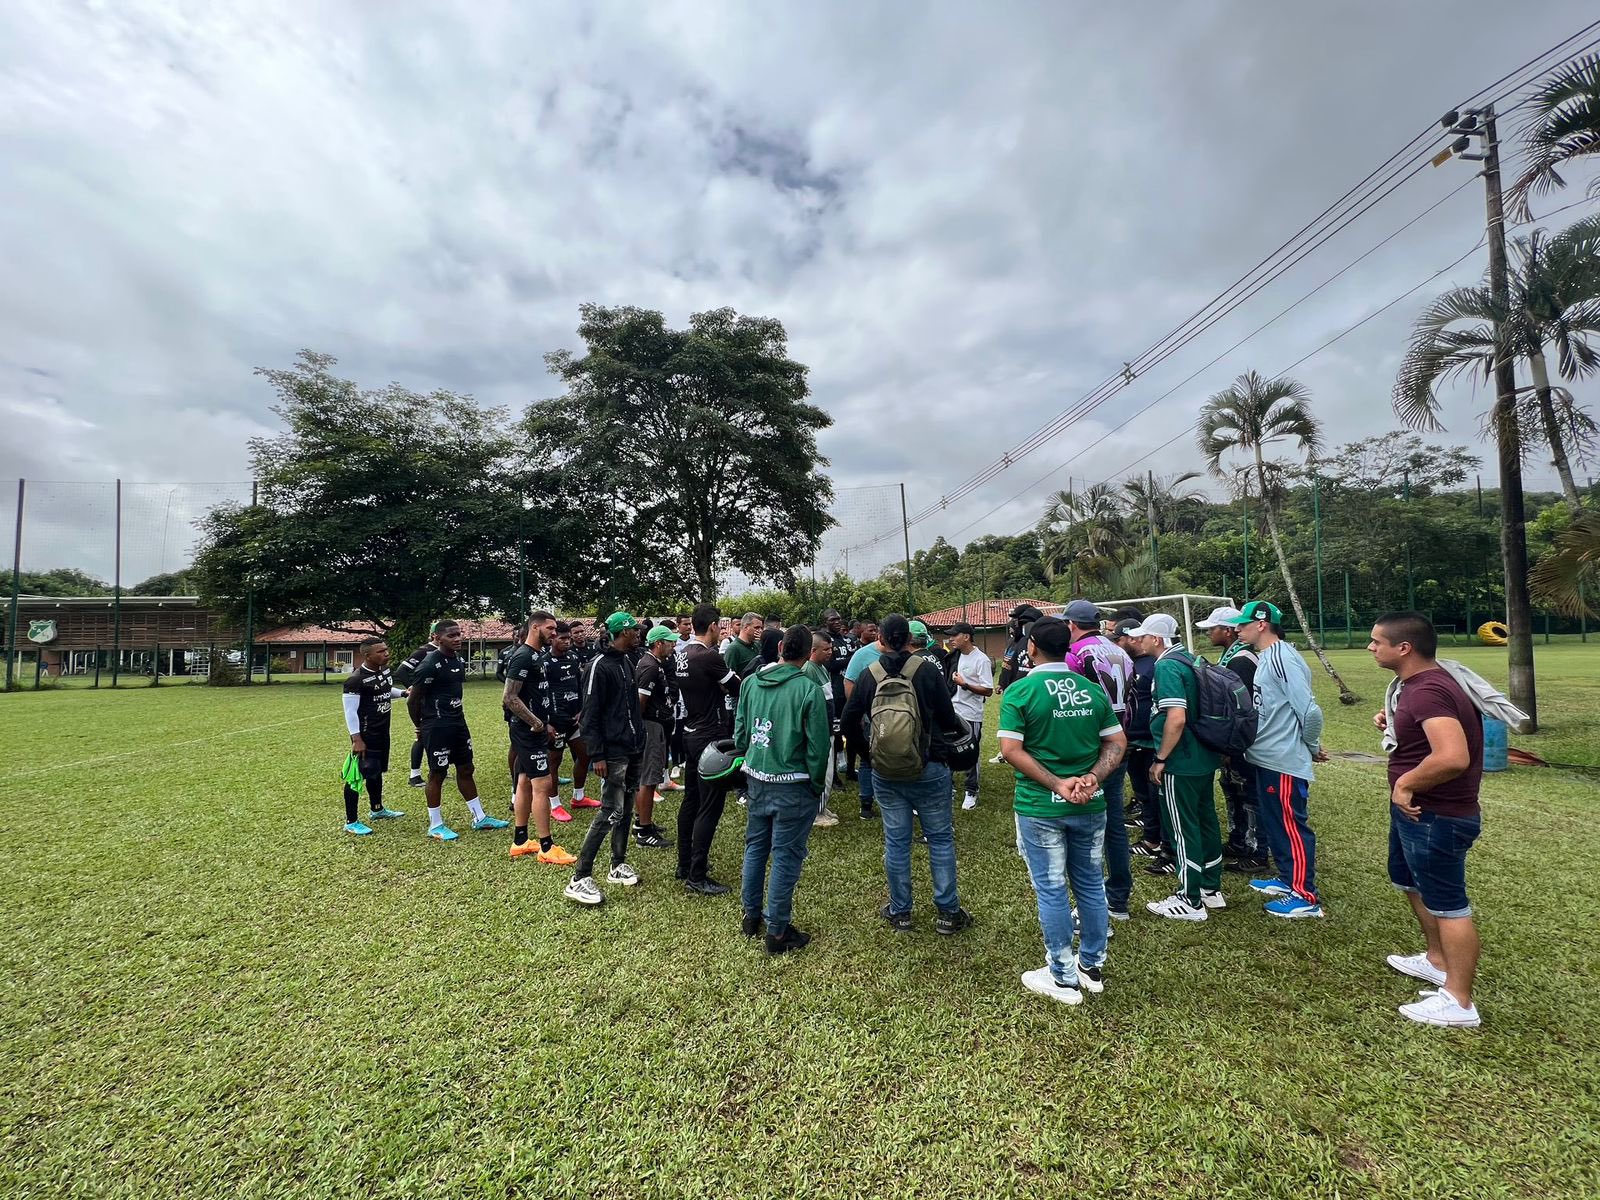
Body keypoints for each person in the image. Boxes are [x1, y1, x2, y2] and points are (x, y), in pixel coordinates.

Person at [998, 615, 1128, 1006]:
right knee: (1089, 882)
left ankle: (1063, 976)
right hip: (1091, 804)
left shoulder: (1020, 692)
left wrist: (1057, 784)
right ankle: (1091, 966)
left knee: (1052, 888)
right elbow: (1117, 743)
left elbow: (1010, 751)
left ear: (1031, 647)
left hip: (1040, 807)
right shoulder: (1090, 690)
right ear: (1067, 647)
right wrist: (1093, 777)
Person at [1370, 612, 1485, 1028]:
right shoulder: (1418, 689)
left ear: (1404, 648)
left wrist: (1405, 785)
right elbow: (1429, 735)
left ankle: (1459, 1001)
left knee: (1449, 904)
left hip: (1436, 814)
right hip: (1420, 812)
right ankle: (1437, 961)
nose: (1371, 647)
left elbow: (1453, 756)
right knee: (1410, 882)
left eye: (1377, 642)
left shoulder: (1428, 692)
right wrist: (1395, 722)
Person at [841, 614, 975, 936]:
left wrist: (869, 757)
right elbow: (947, 719)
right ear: (913, 639)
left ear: (882, 640)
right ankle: (947, 913)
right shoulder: (927, 670)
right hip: (930, 767)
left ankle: (900, 912)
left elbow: (848, 722)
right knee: (940, 839)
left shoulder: (869, 675)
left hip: (885, 772)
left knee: (897, 842)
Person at [736, 625, 832, 954]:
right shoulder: (809, 689)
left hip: (756, 780)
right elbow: (819, 749)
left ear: (779, 649)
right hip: (794, 785)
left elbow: (740, 734)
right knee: (786, 857)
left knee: (756, 847)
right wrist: (815, 785)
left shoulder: (749, 683)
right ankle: (777, 932)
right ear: (807, 655)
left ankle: (750, 916)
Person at [1228, 601, 1326, 918]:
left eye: (1243, 624)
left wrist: (1310, 746)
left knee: (1291, 826)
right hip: (1268, 757)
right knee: (1274, 823)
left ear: (1262, 624)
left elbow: (1309, 711)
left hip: (1283, 759)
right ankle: (1287, 879)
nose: (1237, 629)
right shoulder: (1267, 656)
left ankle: (1304, 896)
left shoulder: (1283, 657)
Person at [1128, 613, 1223, 920]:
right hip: (1202, 756)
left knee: (1183, 827)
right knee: (1205, 820)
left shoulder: (1167, 665)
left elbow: (1176, 717)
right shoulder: (1191, 659)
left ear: (1156, 639)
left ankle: (1189, 899)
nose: (1138, 641)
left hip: (1180, 759)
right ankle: (1211, 888)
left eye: (1143, 636)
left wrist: (1161, 758)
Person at [565, 612, 647, 906]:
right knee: (609, 810)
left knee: (625, 808)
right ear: (622, 633)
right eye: (633, 630)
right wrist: (597, 754)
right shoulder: (598, 666)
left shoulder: (626, 659)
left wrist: (639, 739)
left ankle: (617, 864)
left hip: (633, 747)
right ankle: (580, 877)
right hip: (612, 752)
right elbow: (589, 714)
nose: (638, 634)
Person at [1062, 599, 1136, 922]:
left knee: (1085, 826)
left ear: (1071, 625)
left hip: (1091, 746)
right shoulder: (1119, 650)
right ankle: (1118, 897)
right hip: (1119, 743)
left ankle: (1092, 904)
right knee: (1114, 822)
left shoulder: (1076, 654)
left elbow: (1070, 703)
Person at [409, 620, 508, 840]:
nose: (457, 639)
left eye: (458, 634)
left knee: (466, 769)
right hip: (436, 726)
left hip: (458, 724)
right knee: (438, 773)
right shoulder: (428, 664)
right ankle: (435, 825)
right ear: (437, 638)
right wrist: (421, 726)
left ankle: (479, 817)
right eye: (451, 636)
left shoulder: (458, 660)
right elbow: (412, 701)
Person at [674, 603, 741, 895]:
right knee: (709, 806)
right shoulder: (709, 656)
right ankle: (697, 875)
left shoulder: (682, 654)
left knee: (691, 800)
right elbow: (736, 686)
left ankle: (684, 863)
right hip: (709, 736)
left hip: (689, 731)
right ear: (713, 626)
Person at [502, 612, 576, 865]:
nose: (554, 633)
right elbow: (509, 697)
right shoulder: (523, 656)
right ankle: (546, 846)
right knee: (542, 785)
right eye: (550, 628)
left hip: (533, 729)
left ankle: (520, 841)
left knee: (523, 781)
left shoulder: (535, 655)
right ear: (535, 627)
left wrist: (544, 723)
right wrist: (537, 724)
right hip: (528, 732)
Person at [1196, 605, 1265, 871]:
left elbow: (1241, 708)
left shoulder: (1240, 660)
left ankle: (1256, 849)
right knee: (1233, 789)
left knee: (1248, 793)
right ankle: (1239, 840)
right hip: (1232, 740)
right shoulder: (1231, 656)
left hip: (1240, 741)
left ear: (1227, 631)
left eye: (1212, 629)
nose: (1209, 634)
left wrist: (1231, 744)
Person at [339, 636, 407, 833]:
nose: (386, 653)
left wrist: (402, 693)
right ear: (367, 655)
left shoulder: (384, 671)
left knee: (376, 773)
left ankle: (377, 809)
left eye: (386, 649)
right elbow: (350, 711)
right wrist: (357, 739)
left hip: (382, 732)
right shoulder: (355, 680)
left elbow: (385, 690)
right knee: (357, 775)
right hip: (365, 737)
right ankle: (351, 822)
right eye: (380, 651)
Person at [1116, 618, 1167, 862]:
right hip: (1135, 740)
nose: (1121, 642)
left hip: (1150, 742)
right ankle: (1151, 839)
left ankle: (1159, 842)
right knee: (1144, 793)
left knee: (1155, 794)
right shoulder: (1131, 663)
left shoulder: (1156, 665)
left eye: (1124, 638)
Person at [632, 624, 679, 849]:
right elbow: (640, 702)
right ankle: (643, 829)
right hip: (650, 725)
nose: (673, 645)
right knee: (648, 779)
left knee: (649, 777)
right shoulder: (650, 666)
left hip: (656, 723)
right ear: (658, 643)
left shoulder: (654, 663)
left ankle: (643, 822)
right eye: (669, 641)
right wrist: (641, 729)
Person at [543, 621, 593, 820]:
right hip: (555, 721)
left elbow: (579, 685)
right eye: (562, 638)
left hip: (575, 719)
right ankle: (554, 804)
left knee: (585, 754)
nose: (567, 642)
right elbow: (540, 693)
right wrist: (546, 721)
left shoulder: (573, 658)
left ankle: (578, 797)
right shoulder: (544, 662)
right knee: (554, 761)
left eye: (568, 638)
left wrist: (581, 709)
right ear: (552, 639)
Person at [843, 621, 889, 819]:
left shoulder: (906, 654)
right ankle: (866, 804)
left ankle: (890, 801)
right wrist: (859, 713)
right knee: (868, 760)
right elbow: (849, 682)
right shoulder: (863, 655)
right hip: (870, 719)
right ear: (881, 636)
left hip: (898, 720)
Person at [947, 622, 994, 810]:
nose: (951, 639)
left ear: (966, 637)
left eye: (954, 635)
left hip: (971, 715)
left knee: (970, 753)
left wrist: (964, 684)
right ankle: (948, 787)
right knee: (948, 749)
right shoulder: (955, 656)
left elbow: (988, 690)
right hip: (953, 712)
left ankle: (971, 791)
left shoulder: (981, 659)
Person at [394, 623, 443, 788]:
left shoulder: (447, 652)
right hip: (424, 702)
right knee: (421, 735)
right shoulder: (423, 651)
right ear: (434, 635)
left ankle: (438, 767)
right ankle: (414, 775)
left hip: (440, 701)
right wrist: (414, 688)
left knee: (439, 734)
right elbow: (401, 671)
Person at [805, 629, 841, 827]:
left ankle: (822, 806)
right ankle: (816, 813)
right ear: (813, 650)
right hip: (819, 732)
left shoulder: (822, 668)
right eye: (826, 649)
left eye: (831, 648)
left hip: (828, 728)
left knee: (829, 770)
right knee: (822, 772)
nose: (830, 652)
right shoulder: (809, 670)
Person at [723, 612, 763, 678]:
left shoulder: (757, 645)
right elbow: (729, 677)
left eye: (761, 628)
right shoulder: (733, 649)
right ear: (745, 627)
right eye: (757, 627)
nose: (760, 631)